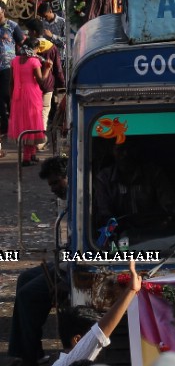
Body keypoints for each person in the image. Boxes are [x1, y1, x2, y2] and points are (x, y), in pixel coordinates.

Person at [8, 157, 70, 366]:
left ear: (68, 177)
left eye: (55, 183)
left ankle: (28, 357)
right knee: (24, 279)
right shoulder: (70, 199)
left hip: (74, 264)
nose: (53, 189)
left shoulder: (84, 198)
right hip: (66, 260)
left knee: (28, 295)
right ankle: (30, 351)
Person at [53, 261, 142, 366]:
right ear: (77, 340)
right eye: (88, 338)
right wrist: (130, 291)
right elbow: (99, 333)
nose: (99, 347)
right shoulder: (65, 364)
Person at [8, 42, 51, 163]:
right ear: (35, 48)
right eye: (38, 49)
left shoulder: (15, 60)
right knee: (32, 125)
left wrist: (12, 98)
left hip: (18, 96)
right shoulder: (34, 61)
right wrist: (47, 68)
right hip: (32, 95)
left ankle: (32, 155)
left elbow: (11, 82)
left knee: (24, 125)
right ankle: (27, 158)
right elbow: (41, 80)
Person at [0, 1, 27, 154]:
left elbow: (23, 43)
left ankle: (13, 123)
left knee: (6, 95)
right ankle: (4, 124)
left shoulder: (12, 26)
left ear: (3, 10)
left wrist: (24, 60)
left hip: (8, 66)